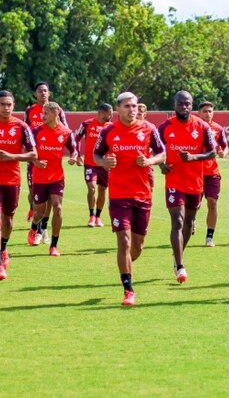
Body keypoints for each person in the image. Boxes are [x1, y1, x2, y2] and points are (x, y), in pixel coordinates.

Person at [93, 92, 165, 306]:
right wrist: (104, 162)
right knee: (123, 241)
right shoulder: (108, 131)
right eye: (127, 106)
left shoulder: (149, 129)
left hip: (143, 195)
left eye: (134, 106)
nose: (132, 109)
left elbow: (163, 153)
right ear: (118, 110)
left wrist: (150, 161)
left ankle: (125, 264)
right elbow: (96, 155)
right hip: (118, 196)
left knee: (137, 247)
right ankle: (128, 290)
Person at [156, 91, 215, 284]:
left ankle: (177, 255)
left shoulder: (202, 126)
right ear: (175, 104)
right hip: (174, 181)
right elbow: (156, 150)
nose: (184, 107)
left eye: (188, 104)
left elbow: (212, 152)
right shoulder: (165, 127)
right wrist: (161, 164)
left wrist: (193, 157)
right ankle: (180, 266)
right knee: (178, 221)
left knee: (189, 222)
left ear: (192, 105)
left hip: (195, 182)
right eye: (181, 104)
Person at [0, 91, 36, 279]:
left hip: (12, 181)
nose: (6, 108)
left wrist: (12, 157)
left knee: (8, 220)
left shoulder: (21, 127)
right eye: (3, 104)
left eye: (9, 104)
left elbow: (33, 154)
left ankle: (3, 248)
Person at [27, 103, 77, 256]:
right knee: (39, 213)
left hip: (57, 177)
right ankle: (34, 227)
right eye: (42, 113)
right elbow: (27, 151)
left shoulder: (66, 132)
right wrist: (36, 162)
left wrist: (73, 158)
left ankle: (54, 246)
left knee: (58, 207)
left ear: (56, 113)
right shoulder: (36, 131)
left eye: (46, 113)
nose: (42, 116)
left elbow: (74, 150)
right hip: (40, 177)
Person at [24, 82, 64, 234]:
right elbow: (25, 131)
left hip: (52, 164)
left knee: (51, 199)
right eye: (40, 91)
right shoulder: (30, 111)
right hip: (34, 160)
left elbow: (64, 127)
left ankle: (42, 228)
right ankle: (33, 208)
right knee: (33, 193)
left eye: (45, 90)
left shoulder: (57, 109)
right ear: (35, 94)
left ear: (49, 93)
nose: (43, 93)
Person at [74, 103, 112, 227]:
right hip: (90, 163)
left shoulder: (112, 126)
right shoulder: (87, 124)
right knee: (92, 187)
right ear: (101, 113)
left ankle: (98, 216)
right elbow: (76, 138)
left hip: (105, 164)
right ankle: (91, 216)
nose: (111, 116)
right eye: (109, 113)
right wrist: (78, 154)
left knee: (102, 190)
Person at [196, 101, 228, 247]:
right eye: (205, 111)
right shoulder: (193, 128)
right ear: (198, 113)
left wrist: (223, 153)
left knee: (212, 202)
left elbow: (226, 147)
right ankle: (191, 220)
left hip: (212, 173)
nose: (208, 114)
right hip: (195, 172)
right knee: (194, 205)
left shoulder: (218, 129)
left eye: (210, 111)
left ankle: (209, 236)